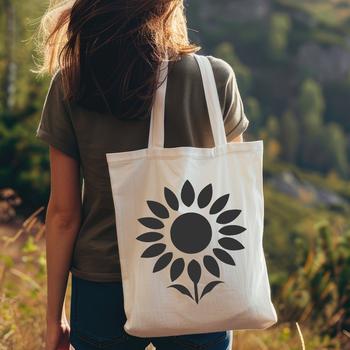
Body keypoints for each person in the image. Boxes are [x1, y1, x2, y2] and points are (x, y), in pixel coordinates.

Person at [34, 0, 249, 349]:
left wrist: (54, 317)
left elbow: (63, 215)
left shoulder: (72, 83)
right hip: (196, 277)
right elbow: (236, 195)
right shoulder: (215, 79)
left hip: (103, 283)